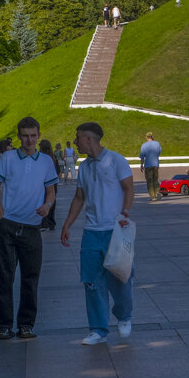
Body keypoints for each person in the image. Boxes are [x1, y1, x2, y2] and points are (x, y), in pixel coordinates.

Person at [61, 122, 135, 346]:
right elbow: (79, 198)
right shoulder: (83, 167)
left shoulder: (116, 161)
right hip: (92, 232)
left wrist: (125, 212)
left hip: (115, 230)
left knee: (121, 278)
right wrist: (67, 224)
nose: (75, 142)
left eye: (78, 138)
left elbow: (129, 188)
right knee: (92, 282)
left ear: (88, 139)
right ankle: (98, 330)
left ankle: (124, 316)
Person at [0, 117, 58, 340]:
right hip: (8, 226)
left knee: (30, 278)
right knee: (4, 278)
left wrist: (47, 206)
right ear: (19, 136)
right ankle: (4, 325)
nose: (29, 140)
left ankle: (26, 325)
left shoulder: (45, 161)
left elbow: (51, 191)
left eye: (33, 136)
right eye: (25, 136)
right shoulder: (8, 158)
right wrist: (1, 215)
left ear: (39, 136)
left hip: (32, 227)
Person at [38, 139, 60, 231]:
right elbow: (58, 171)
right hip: (53, 183)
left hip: (44, 184)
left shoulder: (41, 158)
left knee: (44, 202)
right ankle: (51, 223)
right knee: (52, 203)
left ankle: (44, 223)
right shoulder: (53, 158)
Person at [139, 132, 162, 201]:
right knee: (155, 179)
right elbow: (159, 152)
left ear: (146, 137)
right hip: (155, 164)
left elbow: (142, 157)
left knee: (149, 181)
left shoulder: (144, 145)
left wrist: (141, 165)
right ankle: (158, 192)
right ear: (152, 136)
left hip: (148, 165)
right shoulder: (157, 143)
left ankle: (153, 197)